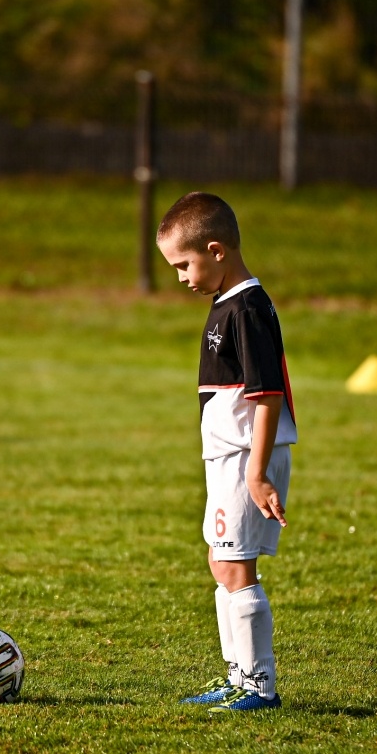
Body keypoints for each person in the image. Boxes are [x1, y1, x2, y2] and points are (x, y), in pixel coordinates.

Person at [156, 192, 297, 713]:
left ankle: (259, 687)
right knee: (222, 562)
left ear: (216, 250)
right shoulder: (226, 304)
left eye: (184, 264)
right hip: (228, 457)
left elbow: (267, 396)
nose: (182, 277)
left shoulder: (249, 307)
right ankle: (238, 676)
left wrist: (257, 473)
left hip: (246, 458)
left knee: (237, 567)